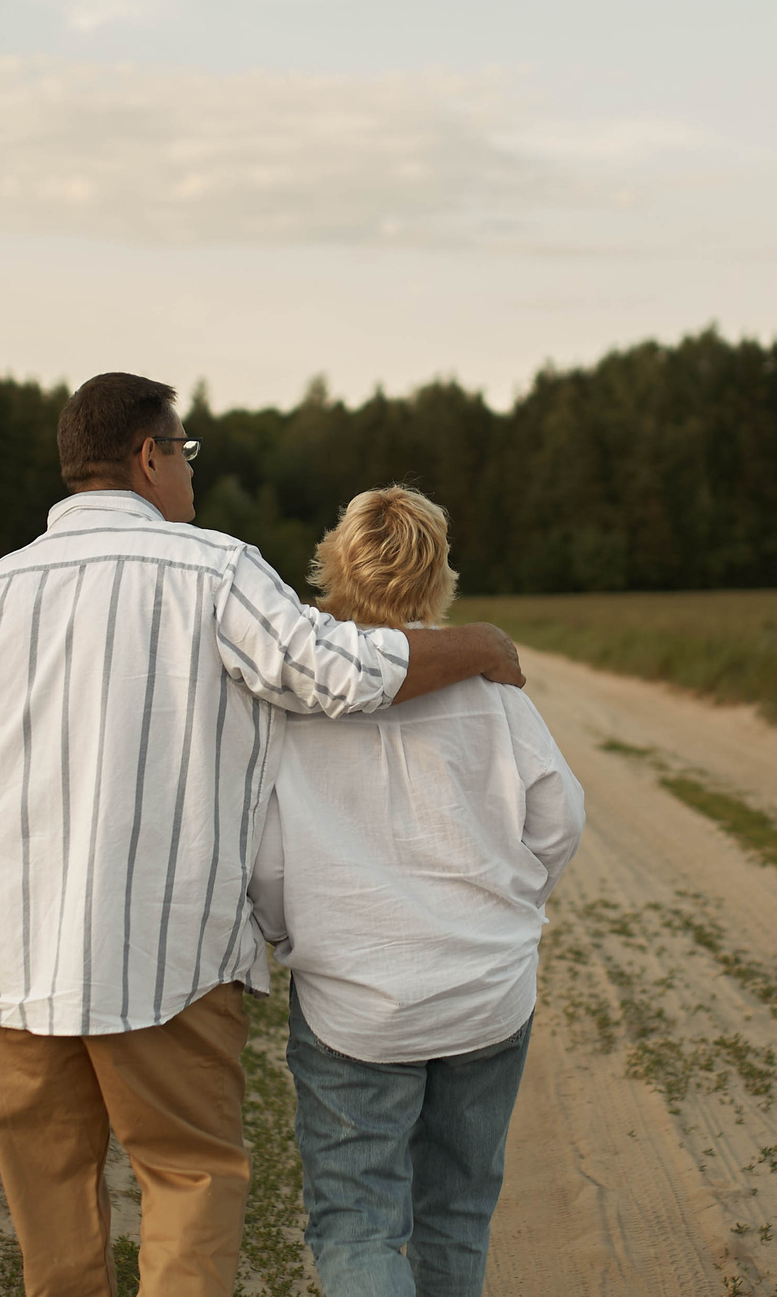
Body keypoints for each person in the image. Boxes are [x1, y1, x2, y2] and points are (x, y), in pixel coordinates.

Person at [0, 374, 528, 1297]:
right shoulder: (212, 569)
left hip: (13, 968)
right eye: (186, 453)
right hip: (168, 963)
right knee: (189, 1183)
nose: (190, 476)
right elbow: (331, 671)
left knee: (53, 1224)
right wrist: (480, 646)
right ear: (149, 457)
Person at [251, 486, 584, 1297]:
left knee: (359, 1221)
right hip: (487, 991)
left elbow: (265, 859)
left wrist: (298, 933)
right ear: (440, 575)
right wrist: (512, 904)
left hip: (356, 1002)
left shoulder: (298, 703)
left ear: (334, 562)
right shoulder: (490, 683)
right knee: (457, 1212)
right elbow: (559, 815)